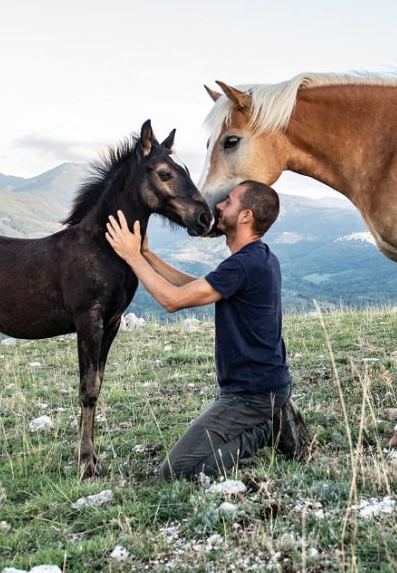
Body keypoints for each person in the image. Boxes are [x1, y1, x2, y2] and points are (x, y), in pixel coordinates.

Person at [105, 180, 308, 480]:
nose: (220, 205)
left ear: (245, 216)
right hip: (265, 387)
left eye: (229, 201)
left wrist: (131, 257)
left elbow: (171, 301)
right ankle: (271, 416)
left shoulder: (243, 265)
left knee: (175, 473)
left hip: (251, 395)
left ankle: (266, 430)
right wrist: (147, 255)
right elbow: (193, 288)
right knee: (190, 462)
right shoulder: (257, 258)